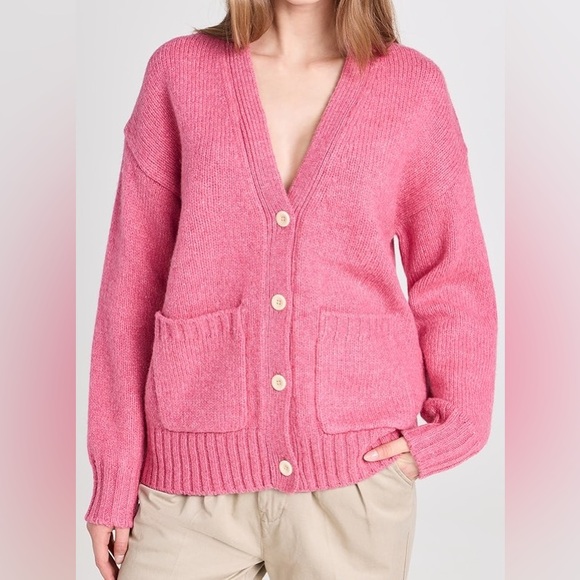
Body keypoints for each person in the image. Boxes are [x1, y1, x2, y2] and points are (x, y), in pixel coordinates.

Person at [84, 0, 498, 578]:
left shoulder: (413, 87)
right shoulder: (179, 73)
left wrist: (457, 426)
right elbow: (132, 282)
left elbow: (452, 274)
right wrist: (114, 475)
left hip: (354, 477)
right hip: (189, 478)